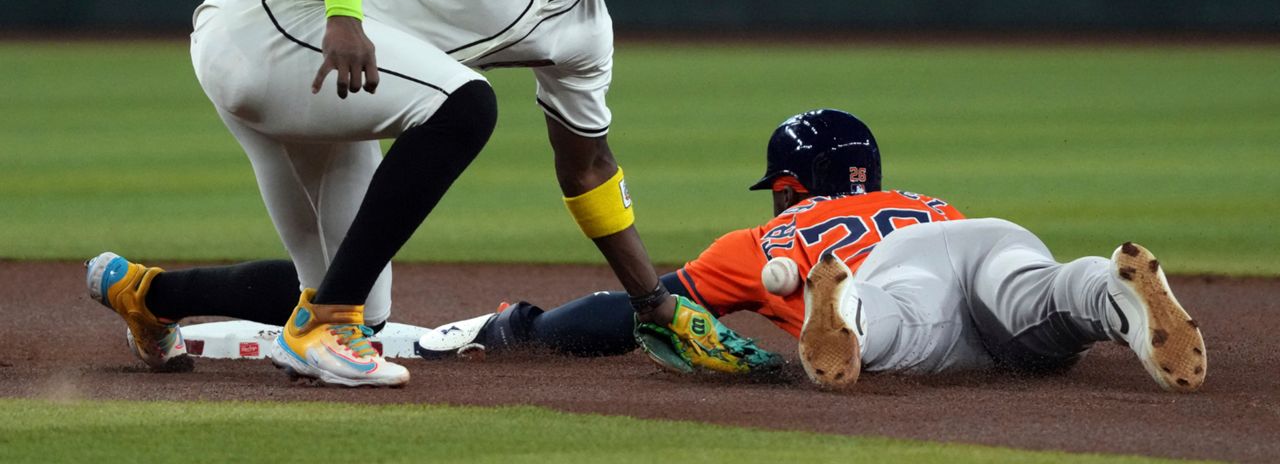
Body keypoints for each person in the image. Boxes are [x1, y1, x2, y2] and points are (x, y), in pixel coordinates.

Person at [85, 0, 764, 387]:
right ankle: (324, 324)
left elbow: (586, 168)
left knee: (355, 297)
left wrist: (653, 303)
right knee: (467, 105)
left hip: (336, 79)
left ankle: (147, 297)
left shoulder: (583, 32)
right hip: (266, 18)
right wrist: (344, 15)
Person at [418, 109, 1208, 393]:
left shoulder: (769, 235)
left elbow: (637, 308)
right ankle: (1110, 290)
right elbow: (964, 268)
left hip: (888, 278)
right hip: (985, 234)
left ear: (790, 183)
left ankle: (847, 312)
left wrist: (521, 326)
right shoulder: (924, 200)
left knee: (900, 326)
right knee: (1038, 299)